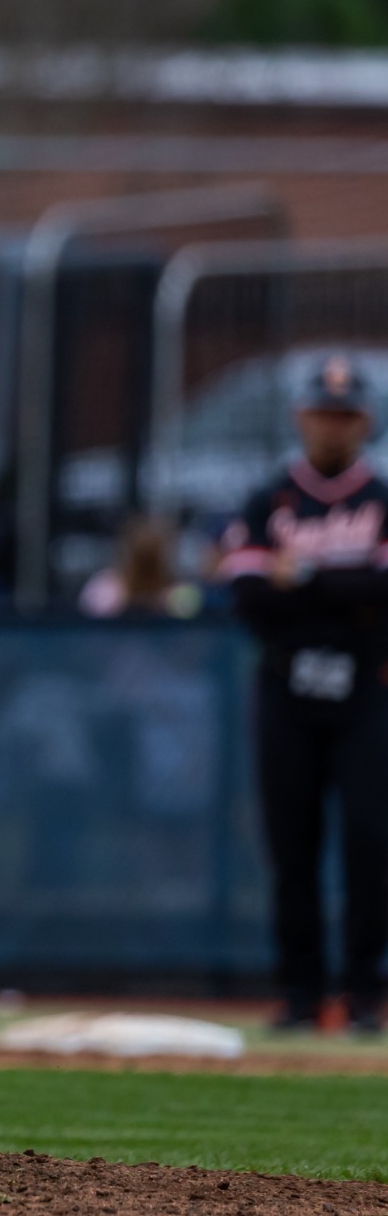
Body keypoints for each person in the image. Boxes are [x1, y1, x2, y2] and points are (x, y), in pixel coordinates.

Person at [219, 353, 388, 1035]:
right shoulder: (270, 498)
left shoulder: (379, 496)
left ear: (365, 421)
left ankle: (364, 994)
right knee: (292, 844)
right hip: (288, 687)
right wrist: (344, 589)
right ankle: (299, 992)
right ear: (301, 416)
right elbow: (249, 594)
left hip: (367, 690)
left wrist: (306, 575)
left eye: (345, 413)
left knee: (371, 842)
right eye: (323, 411)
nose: (332, 424)